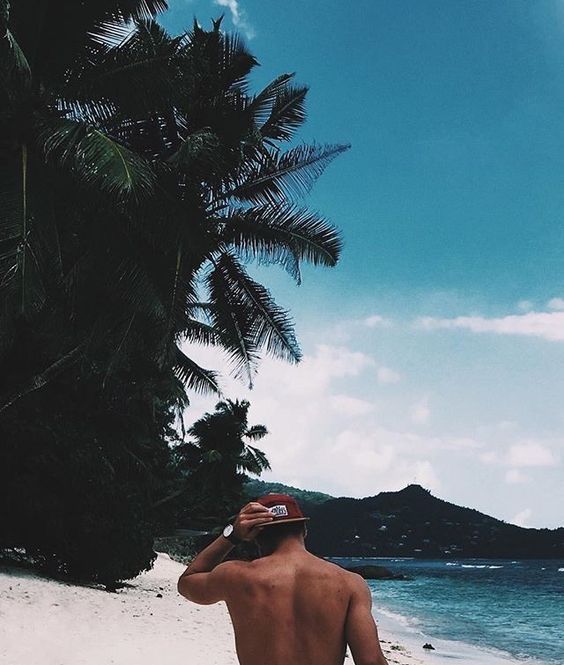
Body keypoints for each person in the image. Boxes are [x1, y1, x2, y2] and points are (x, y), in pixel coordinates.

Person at [177, 493, 389, 665]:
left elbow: (187, 581)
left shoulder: (236, 576)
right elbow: (370, 661)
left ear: (254, 535)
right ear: (304, 530)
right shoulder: (349, 583)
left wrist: (231, 535)